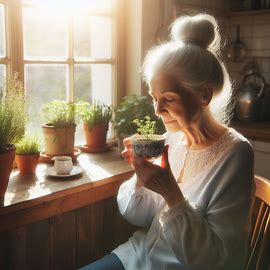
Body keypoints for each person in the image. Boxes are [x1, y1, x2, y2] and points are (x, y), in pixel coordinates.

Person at [80, 13, 255, 270]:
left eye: (169, 99)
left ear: (203, 95)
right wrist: (141, 176)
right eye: (154, 97)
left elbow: (217, 260)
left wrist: (172, 194)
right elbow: (137, 215)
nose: (157, 109)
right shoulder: (174, 139)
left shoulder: (236, 154)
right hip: (139, 256)